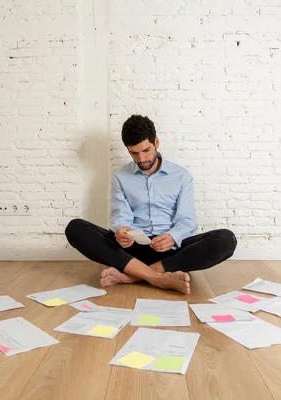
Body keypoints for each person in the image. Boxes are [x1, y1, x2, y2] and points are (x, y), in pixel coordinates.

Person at [65, 115, 237, 294]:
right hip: (131, 250)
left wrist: (172, 236)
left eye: (146, 150)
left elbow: (186, 220)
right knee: (76, 228)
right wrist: (121, 229)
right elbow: (121, 215)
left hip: (171, 250)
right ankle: (157, 277)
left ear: (156, 142)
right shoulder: (121, 176)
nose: (141, 159)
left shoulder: (181, 176)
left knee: (226, 240)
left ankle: (132, 275)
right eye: (134, 153)